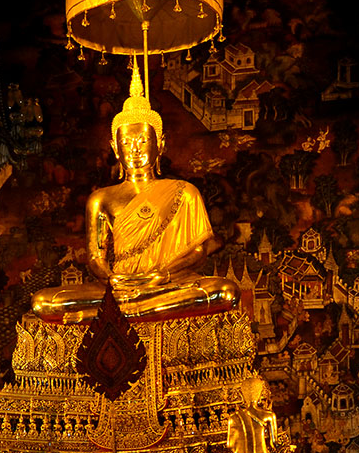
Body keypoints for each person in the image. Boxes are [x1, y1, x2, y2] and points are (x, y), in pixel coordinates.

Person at [32, 60, 238, 324]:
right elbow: (96, 257)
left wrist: (161, 276)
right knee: (44, 301)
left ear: (160, 145)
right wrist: (112, 278)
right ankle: (126, 308)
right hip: (119, 287)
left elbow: (198, 253)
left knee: (223, 291)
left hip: (169, 283)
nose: (135, 150)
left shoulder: (184, 192)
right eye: (126, 143)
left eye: (143, 141)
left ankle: (120, 313)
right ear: (115, 148)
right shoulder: (101, 198)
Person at [227, 376, 278, 453]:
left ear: (242, 394)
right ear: (260, 393)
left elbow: (230, 445)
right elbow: (274, 443)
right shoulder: (269, 415)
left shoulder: (234, 417)